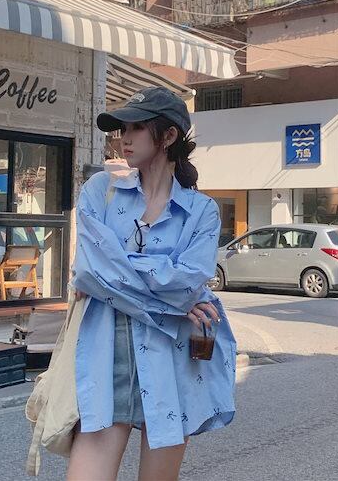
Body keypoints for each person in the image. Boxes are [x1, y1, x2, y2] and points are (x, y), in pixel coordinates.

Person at [67, 87, 237, 481]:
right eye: (122, 129)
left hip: (173, 361)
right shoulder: (101, 191)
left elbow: (188, 280)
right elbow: (90, 271)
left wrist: (116, 272)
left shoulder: (201, 211)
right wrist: (173, 302)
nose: (124, 138)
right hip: (107, 357)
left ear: (169, 135)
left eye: (137, 127)